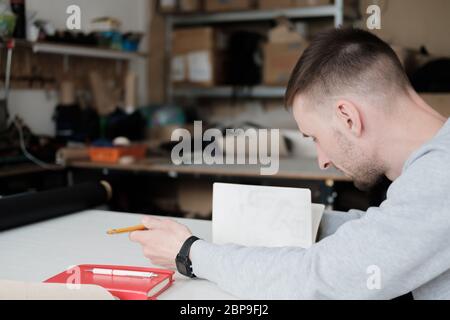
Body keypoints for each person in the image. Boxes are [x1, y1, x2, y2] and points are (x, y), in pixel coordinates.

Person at [129, 28, 450, 300]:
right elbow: (387, 229)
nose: (323, 161)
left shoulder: (440, 175)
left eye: (316, 137)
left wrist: (190, 254)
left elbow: (320, 278)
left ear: (348, 117)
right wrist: (298, 219)